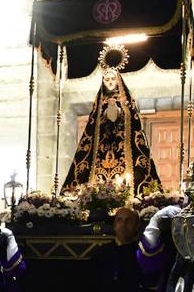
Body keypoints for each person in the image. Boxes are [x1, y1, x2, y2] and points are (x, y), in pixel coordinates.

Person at [60, 62, 161, 196]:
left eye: (113, 79)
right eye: (107, 79)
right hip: (102, 149)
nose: (110, 82)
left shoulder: (126, 102)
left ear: (118, 80)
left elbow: (127, 122)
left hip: (124, 150)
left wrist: (115, 108)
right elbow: (93, 128)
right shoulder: (99, 104)